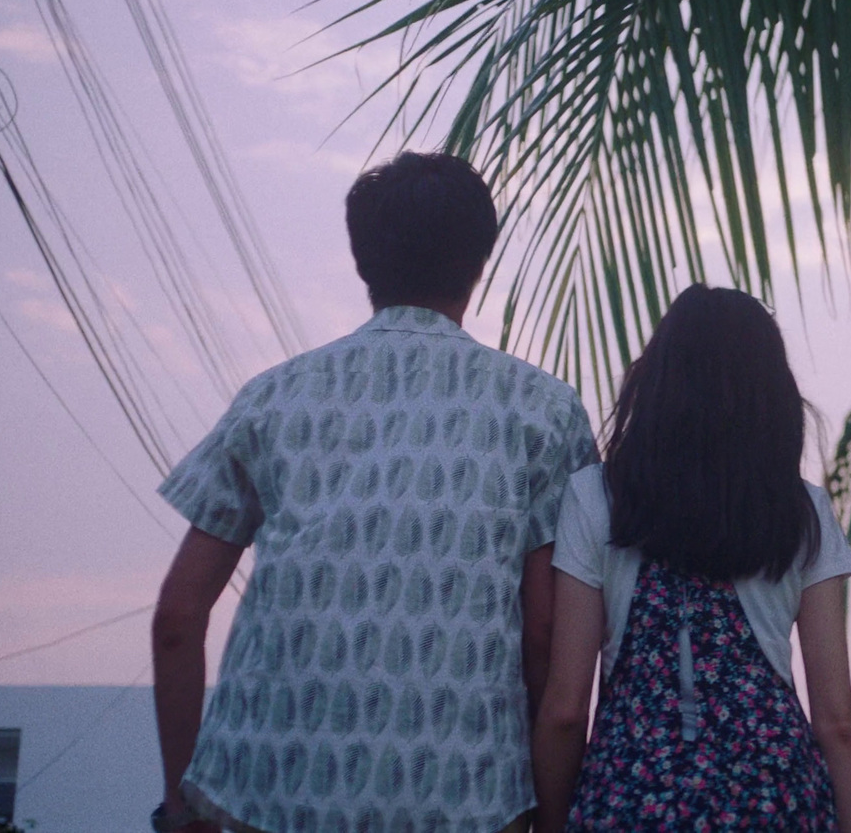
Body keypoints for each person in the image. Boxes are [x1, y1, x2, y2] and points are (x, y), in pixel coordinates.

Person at [149, 152, 598, 833]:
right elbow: (542, 630)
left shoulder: (271, 399)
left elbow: (178, 619)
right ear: (481, 261)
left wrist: (181, 807)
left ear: (364, 262)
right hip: (468, 797)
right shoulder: (544, 411)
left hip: (266, 791)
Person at [532, 284, 851, 832]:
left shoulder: (596, 497)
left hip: (631, 799)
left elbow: (566, 710)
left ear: (657, 381)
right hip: (775, 798)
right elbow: (838, 722)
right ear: (771, 394)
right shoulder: (803, 510)